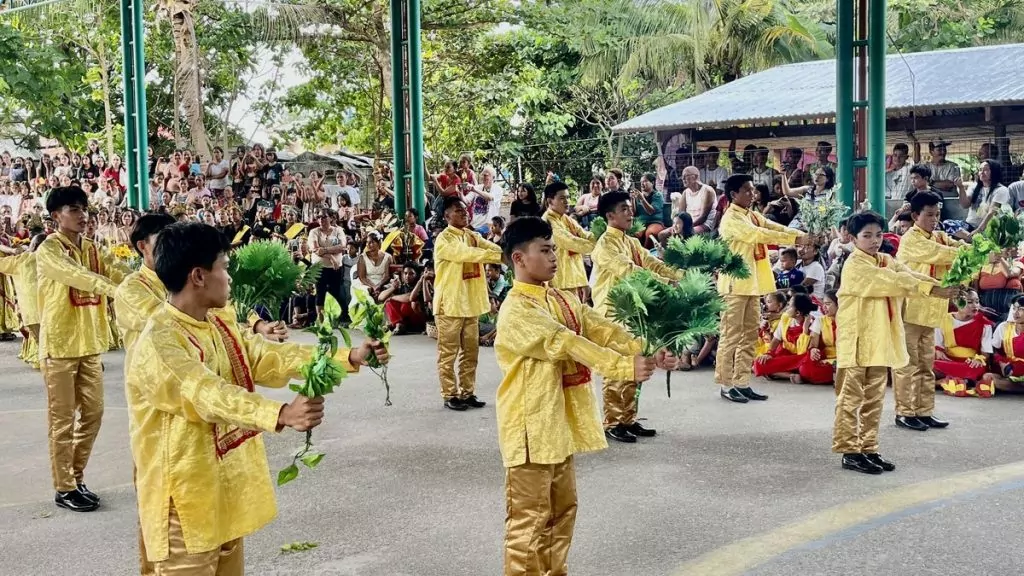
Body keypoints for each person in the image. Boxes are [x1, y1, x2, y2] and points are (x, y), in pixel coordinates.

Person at [126, 221, 386, 573]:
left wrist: (348, 356)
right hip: (183, 500)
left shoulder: (215, 322)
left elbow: (267, 356)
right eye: (225, 268)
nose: (230, 278)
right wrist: (279, 414)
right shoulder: (160, 339)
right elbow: (205, 393)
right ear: (199, 277)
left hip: (222, 489)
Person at [495, 217, 668, 576]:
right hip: (530, 427)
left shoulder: (558, 296)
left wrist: (647, 348)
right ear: (518, 259)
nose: (554, 258)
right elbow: (566, 342)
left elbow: (598, 326)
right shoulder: (517, 308)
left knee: (562, 511)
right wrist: (622, 367)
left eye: (554, 249)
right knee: (529, 521)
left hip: (557, 424)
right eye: (544, 251)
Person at [833, 211, 956, 475]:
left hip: (879, 340)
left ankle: (869, 448)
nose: (874, 241)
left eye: (878, 235)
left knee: (874, 399)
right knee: (851, 398)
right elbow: (892, 282)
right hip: (855, 341)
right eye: (867, 236)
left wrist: (941, 284)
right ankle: (849, 451)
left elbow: (910, 274)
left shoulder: (886, 259)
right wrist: (933, 290)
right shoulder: (855, 265)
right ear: (852, 238)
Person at [36, 186, 126, 512]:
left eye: (84, 208)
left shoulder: (92, 247)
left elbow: (116, 269)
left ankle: (76, 477)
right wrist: (113, 288)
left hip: (89, 346)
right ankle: (64, 487)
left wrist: (143, 282)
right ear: (56, 216)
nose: (82, 214)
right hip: (59, 346)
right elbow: (77, 276)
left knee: (94, 413)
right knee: (61, 421)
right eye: (73, 209)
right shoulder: (48, 250)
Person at [590, 191, 683, 443]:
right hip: (612, 315)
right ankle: (612, 421)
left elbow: (651, 263)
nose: (630, 213)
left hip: (634, 314)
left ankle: (628, 418)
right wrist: (665, 283)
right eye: (624, 209)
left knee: (637, 365)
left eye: (630, 208)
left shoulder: (630, 242)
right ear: (610, 215)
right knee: (616, 369)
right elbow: (629, 271)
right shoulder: (605, 245)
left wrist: (680, 275)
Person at [716, 174, 805, 403]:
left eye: (753, 189)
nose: (752, 193)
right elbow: (758, 235)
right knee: (730, 335)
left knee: (749, 335)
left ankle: (742, 382)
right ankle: (726, 384)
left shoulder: (752, 215)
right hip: (735, 285)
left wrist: (799, 234)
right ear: (733, 194)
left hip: (753, 284)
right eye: (746, 190)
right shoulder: (730, 219)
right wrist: (796, 240)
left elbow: (770, 225)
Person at [893, 191, 963, 432]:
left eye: (937, 214)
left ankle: (924, 411)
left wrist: (984, 251)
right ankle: (904, 411)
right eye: (930, 215)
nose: (935, 219)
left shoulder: (940, 236)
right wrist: (973, 252)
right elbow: (942, 254)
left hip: (932, 310)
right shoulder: (911, 239)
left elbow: (958, 247)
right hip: (911, 309)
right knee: (907, 364)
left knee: (925, 364)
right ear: (915, 215)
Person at [433, 196, 503, 411]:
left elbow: (494, 248)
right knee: (448, 353)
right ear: (446, 216)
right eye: (458, 211)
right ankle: (450, 394)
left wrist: (506, 251)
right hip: (450, 305)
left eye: (465, 210)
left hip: (470, 305)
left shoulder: (472, 235)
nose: (465, 213)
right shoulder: (444, 240)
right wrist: (498, 255)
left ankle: (467, 392)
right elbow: (466, 254)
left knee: (471, 352)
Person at [933, 290, 996, 398]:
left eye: (977, 301)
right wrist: (938, 351)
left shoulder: (984, 323)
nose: (975, 306)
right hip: (948, 361)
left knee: (979, 370)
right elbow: (938, 345)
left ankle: (949, 381)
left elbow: (986, 353)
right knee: (930, 365)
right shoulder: (943, 319)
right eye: (970, 302)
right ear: (957, 302)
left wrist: (978, 360)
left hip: (969, 364)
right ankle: (950, 381)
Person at [542, 181, 596, 303]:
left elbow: (585, 235)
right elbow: (569, 241)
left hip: (573, 280)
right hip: (557, 281)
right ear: (550, 201)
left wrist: (599, 236)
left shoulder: (566, 219)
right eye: (562, 198)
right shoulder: (548, 221)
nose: (567, 202)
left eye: (567, 197)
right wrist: (597, 247)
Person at [753, 293, 815, 379]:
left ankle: (777, 372)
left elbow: (802, 352)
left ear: (797, 313)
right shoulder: (786, 318)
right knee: (759, 362)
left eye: (789, 306)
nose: (786, 309)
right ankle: (790, 375)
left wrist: (805, 330)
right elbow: (776, 339)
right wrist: (769, 353)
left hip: (801, 358)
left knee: (806, 366)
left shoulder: (812, 324)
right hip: (786, 356)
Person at [308, 209, 347, 322]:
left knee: (335, 292)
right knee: (320, 293)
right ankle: (321, 321)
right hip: (320, 267)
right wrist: (331, 257)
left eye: (324, 217)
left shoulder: (338, 231)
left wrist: (325, 250)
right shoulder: (314, 232)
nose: (321, 219)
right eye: (319, 217)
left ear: (331, 218)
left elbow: (342, 246)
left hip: (335, 268)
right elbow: (315, 249)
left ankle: (334, 319)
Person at [795, 289, 839, 385]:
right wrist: (813, 350)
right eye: (823, 304)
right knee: (805, 369)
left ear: (839, 304)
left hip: (845, 359)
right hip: (828, 360)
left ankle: (839, 374)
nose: (824, 307)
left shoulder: (849, 321)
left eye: (828, 304)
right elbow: (813, 344)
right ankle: (837, 376)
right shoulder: (820, 320)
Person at [380, 262, 428, 335]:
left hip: (418, 319)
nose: (407, 276)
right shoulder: (401, 285)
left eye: (411, 274)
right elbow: (381, 297)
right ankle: (399, 324)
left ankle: (397, 325)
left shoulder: (419, 285)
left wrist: (392, 297)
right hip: (405, 319)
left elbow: (409, 297)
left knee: (409, 304)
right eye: (405, 273)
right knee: (389, 303)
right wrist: (393, 288)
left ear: (416, 275)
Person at [674, 166, 716, 235]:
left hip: (704, 224)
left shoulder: (707, 190)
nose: (683, 179)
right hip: (686, 225)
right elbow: (680, 214)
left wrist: (686, 227)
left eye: (686, 176)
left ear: (695, 177)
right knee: (663, 234)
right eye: (682, 177)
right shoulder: (685, 192)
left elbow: (703, 217)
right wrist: (676, 225)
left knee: (685, 234)